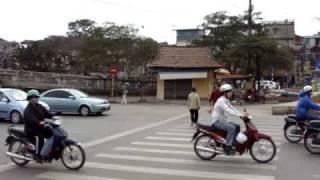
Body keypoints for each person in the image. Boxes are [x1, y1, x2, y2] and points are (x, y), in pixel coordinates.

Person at [210, 84, 247, 155]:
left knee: (237, 126)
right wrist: (240, 115)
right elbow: (228, 110)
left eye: (231, 92)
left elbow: (232, 108)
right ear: (225, 93)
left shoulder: (226, 100)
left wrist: (241, 114)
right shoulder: (221, 101)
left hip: (223, 121)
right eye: (229, 92)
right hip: (217, 122)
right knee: (232, 128)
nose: (231, 93)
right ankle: (228, 146)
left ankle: (233, 142)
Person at [24, 89, 53, 160]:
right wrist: (39, 122)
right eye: (32, 97)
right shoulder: (28, 109)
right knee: (40, 137)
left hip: (40, 127)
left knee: (51, 133)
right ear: (29, 99)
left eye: (36, 97)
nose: (34, 99)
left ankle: (48, 152)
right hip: (31, 129)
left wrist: (54, 116)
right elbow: (32, 119)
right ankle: (38, 154)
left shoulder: (39, 106)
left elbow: (47, 113)